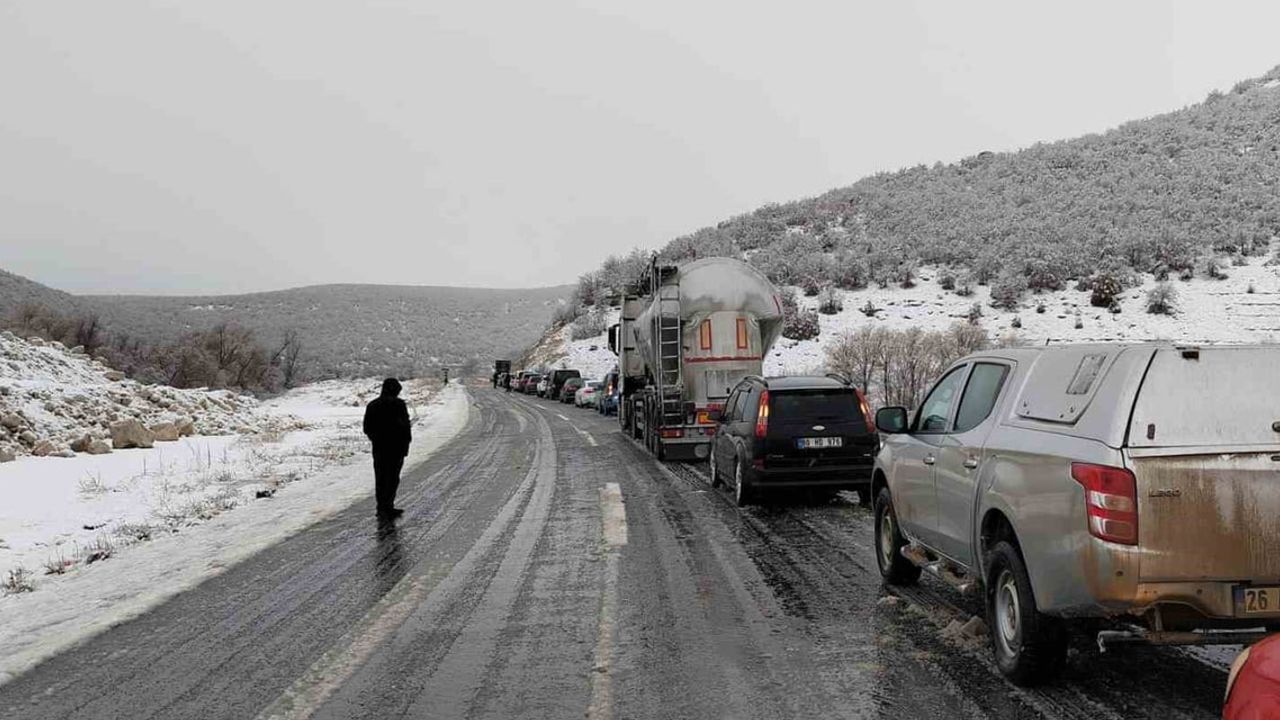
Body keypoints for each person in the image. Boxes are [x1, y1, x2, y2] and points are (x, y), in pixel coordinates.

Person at [363, 378, 411, 519]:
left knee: (381, 478)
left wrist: (376, 439)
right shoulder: (399, 404)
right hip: (397, 448)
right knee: (393, 478)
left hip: (379, 448)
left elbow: (367, 427)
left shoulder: (372, 405)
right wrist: (406, 443)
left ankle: (381, 507)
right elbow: (405, 426)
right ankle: (388, 506)